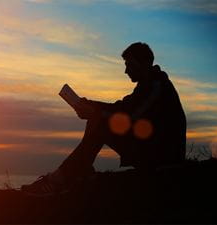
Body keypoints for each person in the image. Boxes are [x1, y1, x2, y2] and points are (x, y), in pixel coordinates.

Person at [22, 42, 186, 196]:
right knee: (97, 120)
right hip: (152, 147)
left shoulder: (156, 86)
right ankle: (78, 172)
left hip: (162, 155)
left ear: (142, 63)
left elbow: (130, 115)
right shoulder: (148, 84)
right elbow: (122, 107)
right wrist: (91, 106)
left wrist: (95, 113)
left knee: (100, 123)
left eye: (129, 65)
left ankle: (60, 179)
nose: (126, 71)